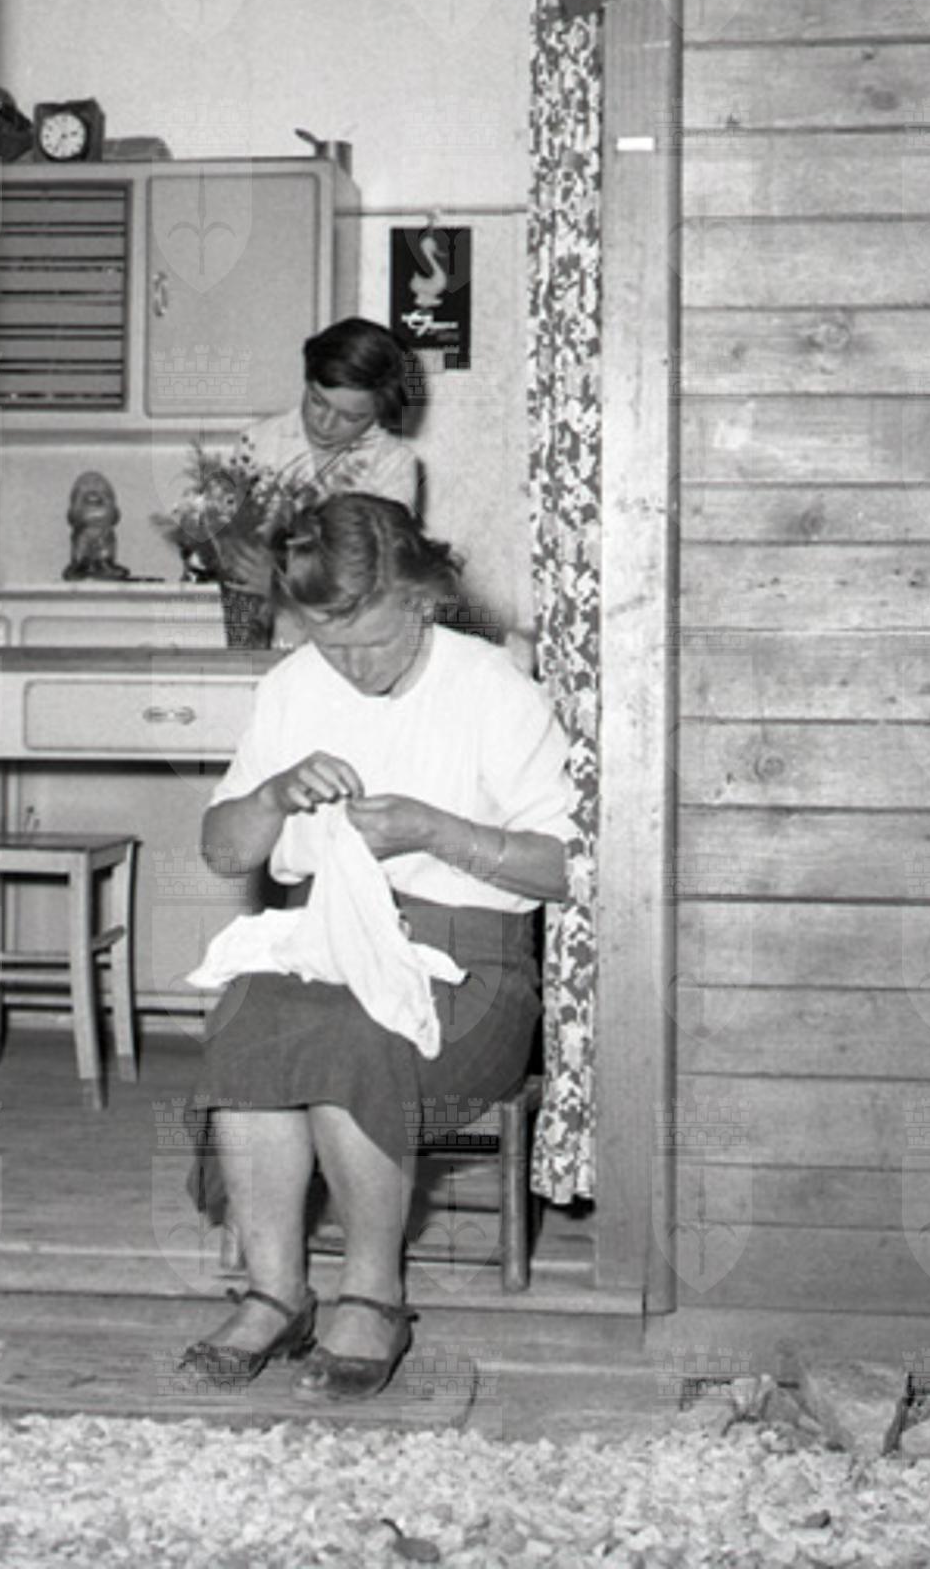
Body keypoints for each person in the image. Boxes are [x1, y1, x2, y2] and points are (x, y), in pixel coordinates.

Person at [179, 493, 575, 1401]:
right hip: (323, 942)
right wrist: (271, 797)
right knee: (248, 1021)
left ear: (423, 600)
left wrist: (440, 832)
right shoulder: (291, 687)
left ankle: (373, 1296)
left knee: (356, 1035)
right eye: (331, 642)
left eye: (372, 640)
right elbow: (223, 853)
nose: (353, 666)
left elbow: (568, 869)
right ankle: (277, 1294)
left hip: (472, 970)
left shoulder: (493, 690)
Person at [239, 317, 421, 514]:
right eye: (317, 401)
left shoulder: (393, 463)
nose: (325, 424)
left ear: (379, 414)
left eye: (350, 418)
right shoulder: (258, 441)